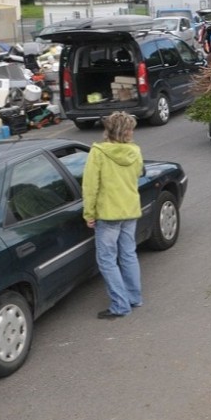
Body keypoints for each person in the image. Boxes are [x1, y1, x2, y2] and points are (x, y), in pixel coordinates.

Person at [83, 111, 144, 319]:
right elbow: (136, 175)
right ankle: (134, 298)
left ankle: (120, 305)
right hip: (130, 210)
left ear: (108, 130)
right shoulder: (135, 151)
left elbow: (90, 186)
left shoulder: (98, 152)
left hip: (108, 214)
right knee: (128, 254)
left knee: (107, 261)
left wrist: (89, 213)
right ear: (127, 131)